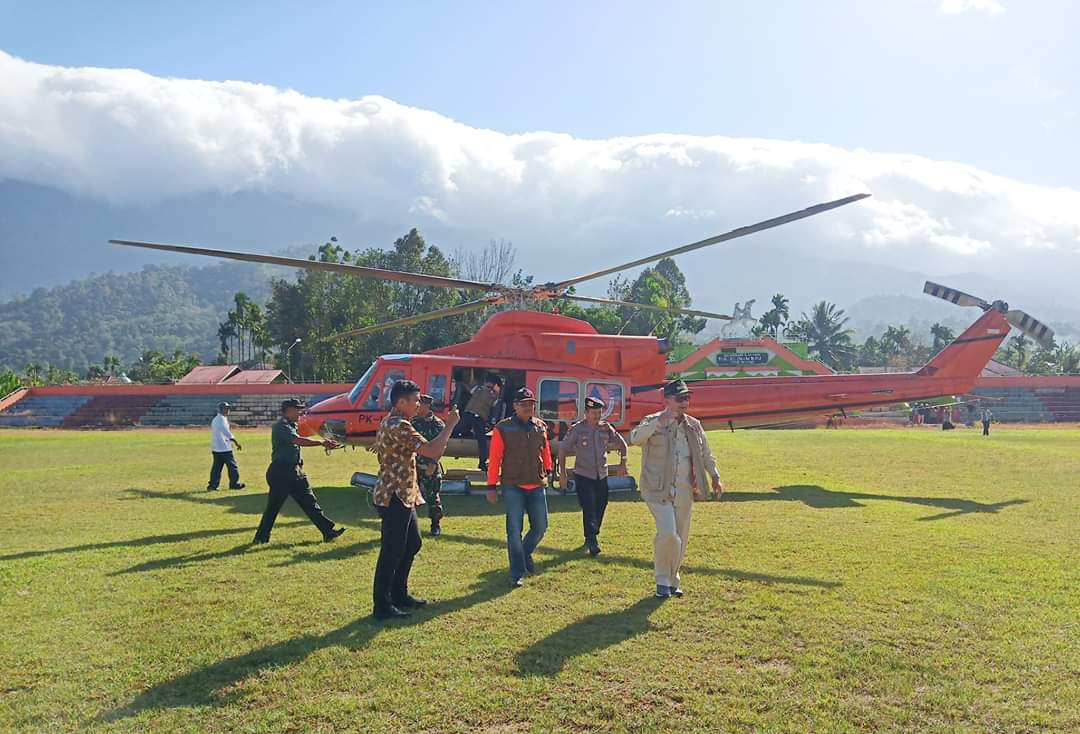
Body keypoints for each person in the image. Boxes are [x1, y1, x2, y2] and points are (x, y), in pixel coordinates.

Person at [371, 380, 459, 620]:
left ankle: (399, 594)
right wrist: (450, 426)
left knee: (412, 544)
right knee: (392, 551)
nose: (419, 404)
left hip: (403, 494)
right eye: (415, 400)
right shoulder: (399, 425)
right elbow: (433, 451)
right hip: (394, 496)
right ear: (401, 402)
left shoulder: (394, 422)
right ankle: (382, 605)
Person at [629, 380, 722, 599]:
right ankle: (662, 578)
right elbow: (635, 438)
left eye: (687, 398)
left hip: (685, 489)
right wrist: (657, 423)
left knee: (681, 536)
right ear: (667, 400)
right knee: (668, 533)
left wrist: (715, 476)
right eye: (680, 398)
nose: (685, 402)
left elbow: (706, 454)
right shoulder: (653, 421)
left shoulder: (693, 425)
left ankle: (673, 578)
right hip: (657, 488)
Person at [253, 399, 346, 544]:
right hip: (281, 472)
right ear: (288, 410)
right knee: (273, 507)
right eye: (297, 409)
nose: (300, 412)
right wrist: (321, 442)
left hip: (295, 471)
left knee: (310, 502)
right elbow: (298, 441)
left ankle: (328, 531)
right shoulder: (281, 426)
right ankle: (261, 537)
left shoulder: (291, 425)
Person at [486, 387, 553, 587]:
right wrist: (491, 486)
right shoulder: (502, 428)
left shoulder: (540, 426)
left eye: (531, 404)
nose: (528, 407)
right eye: (523, 404)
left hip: (536, 483)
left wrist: (548, 471)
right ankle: (517, 572)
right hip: (513, 484)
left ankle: (524, 555)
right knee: (514, 530)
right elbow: (495, 458)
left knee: (541, 527)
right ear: (515, 406)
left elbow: (545, 450)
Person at [558, 396, 628, 556]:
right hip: (583, 475)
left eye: (599, 412)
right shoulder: (577, 429)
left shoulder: (606, 428)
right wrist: (562, 473)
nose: (597, 416)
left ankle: (590, 533)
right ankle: (592, 540)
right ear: (586, 413)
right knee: (589, 507)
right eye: (594, 413)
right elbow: (563, 449)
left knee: (600, 506)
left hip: (601, 475)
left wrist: (623, 462)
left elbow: (622, 444)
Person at [411, 394, 446, 537]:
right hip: (413, 466)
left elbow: (441, 447)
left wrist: (432, 463)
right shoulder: (411, 422)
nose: (418, 406)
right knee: (408, 498)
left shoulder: (438, 424)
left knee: (433, 497)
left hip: (430, 467)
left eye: (421, 404)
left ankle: (435, 525)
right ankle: (409, 526)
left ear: (428, 406)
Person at [462, 374, 503, 470]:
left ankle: (482, 463)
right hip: (468, 414)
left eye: (490, 386)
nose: (487, 387)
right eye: (487, 385)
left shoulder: (495, 396)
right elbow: (469, 389)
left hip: (480, 418)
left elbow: (496, 405)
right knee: (456, 430)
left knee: (482, 441)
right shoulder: (477, 389)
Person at [207, 401, 245, 491]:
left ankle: (212, 485)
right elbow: (227, 433)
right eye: (226, 409)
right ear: (222, 409)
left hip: (216, 447)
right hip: (224, 448)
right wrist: (236, 442)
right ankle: (234, 484)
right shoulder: (222, 419)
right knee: (232, 467)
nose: (228, 410)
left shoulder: (216, 419)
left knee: (216, 468)